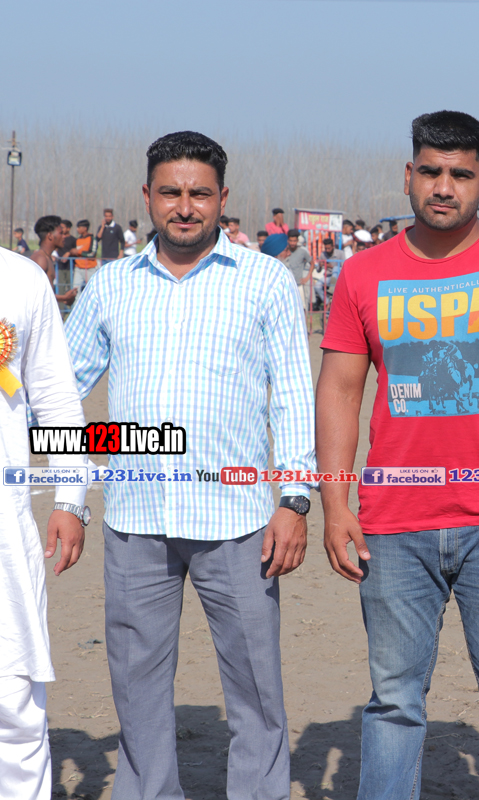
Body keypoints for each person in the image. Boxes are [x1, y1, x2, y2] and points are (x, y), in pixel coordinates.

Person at [316, 109, 479, 800]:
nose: (444, 187)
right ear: (409, 175)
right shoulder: (364, 274)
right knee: (394, 702)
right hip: (392, 524)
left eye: (461, 174)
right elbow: (340, 390)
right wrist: (335, 503)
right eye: (431, 172)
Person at [63, 130, 316, 800]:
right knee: (136, 686)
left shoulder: (264, 281)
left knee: (256, 688)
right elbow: (59, 389)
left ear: (222, 198)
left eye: (199, 193)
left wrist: (295, 499)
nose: (184, 206)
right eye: (170, 192)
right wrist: (81, 484)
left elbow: (293, 396)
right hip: (135, 519)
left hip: (238, 522)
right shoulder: (110, 286)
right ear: (147, 196)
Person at [0, 247, 90, 800]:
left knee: (12, 700)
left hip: (4, 529)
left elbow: (55, 395)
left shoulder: (20, 279)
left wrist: (70, 496)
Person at [30, 215, 79, 304]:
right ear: (50, 236)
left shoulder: (47, 257)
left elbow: (46, 295)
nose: (64, 237)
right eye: (61, 233)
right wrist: (64, 297)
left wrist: (65, 299)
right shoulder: (40, 259)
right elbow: (34, 294)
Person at [279, 229, 312, 308]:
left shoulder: (302, 251)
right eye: (290, 241)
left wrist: (307, 277)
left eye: (294, 241)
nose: (292, 243)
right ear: (288, 240)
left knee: (302, 307)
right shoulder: (284, 251)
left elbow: (312, 263)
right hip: (286, 286)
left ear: (297, 240)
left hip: (298, 285)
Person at [69, 220, 97, 290]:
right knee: (75, 289)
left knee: (91, 288)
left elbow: (92, 254)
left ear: (85, 228)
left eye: (79, 227)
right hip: (78, 268)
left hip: (89, 268)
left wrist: (79, 252)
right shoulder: (78, 240)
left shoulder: (92, 239)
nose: (77, 229)